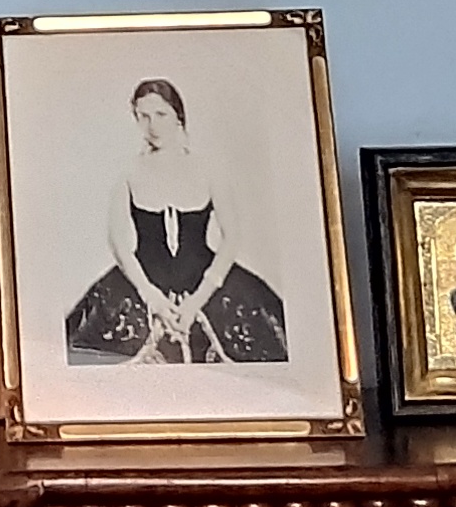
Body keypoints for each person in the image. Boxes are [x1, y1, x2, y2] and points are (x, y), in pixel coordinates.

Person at [64, 79, 289, 364]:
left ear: (178, 116)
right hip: (141, 283)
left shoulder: (208, 170)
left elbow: (232, 237)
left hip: (208, 283)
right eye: (143, 116)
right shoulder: (128, 172)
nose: (153, 126)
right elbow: (118, 243)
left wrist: (198, 299)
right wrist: (150, 296)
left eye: (161, 115)